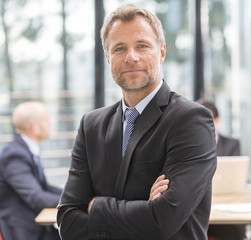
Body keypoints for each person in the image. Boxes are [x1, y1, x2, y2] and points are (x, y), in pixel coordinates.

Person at [57, 3, 217, 240]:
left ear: (161, 52)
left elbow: (162, 220)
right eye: (119, 48)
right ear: (108, 57)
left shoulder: (190, 120)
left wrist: (96, 205)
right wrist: (144, 208)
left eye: (142, 46)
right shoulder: (91, 125)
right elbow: (68, 222)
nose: (131, 57)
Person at [0, 102, 62, 240]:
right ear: (34, 128)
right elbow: (37, 197)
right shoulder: (14, 156)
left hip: (36, 225)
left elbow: (44, 187)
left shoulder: (27, 150)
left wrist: (75, 195)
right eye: (46, 120)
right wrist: (77, 202)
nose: (50, 123)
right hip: (22, 231)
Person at [197, 99, 245, 240]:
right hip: (200, 205)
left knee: (232, 230)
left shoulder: (232, 144)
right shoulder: (189, 147)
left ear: (217, 121)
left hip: (228, 202)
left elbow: (235, 176)